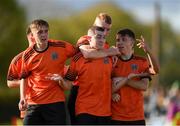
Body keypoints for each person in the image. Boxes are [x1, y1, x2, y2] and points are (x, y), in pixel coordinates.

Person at [49, 26, 113, 125]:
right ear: (89, 38)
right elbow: (69, 85)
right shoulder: (77, 59)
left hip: (105, 112)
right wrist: (61, 80)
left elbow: (114, 78)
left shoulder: (111, 57)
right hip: (84, 110)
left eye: (104, 37)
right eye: (98, 37)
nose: (102, 40)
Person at [18, 19, 76, 125]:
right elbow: (24, 77)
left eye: (46, 31)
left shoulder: (60, 46)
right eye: (40, 32)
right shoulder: (27, 55)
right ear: (32, 35)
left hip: (55, 103)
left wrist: (69, 76)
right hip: (33, 103)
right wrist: (22, 97)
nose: (44, 34)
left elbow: (78, 54)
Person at [67, 12, 119, 125]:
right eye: (101, 28)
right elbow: (88, 54)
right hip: (79, 89)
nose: (105, 31)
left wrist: (111, 53)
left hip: (100, 100)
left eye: (108, 29)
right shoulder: (85, 39)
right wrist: (110, 52)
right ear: (94, 25)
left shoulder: (106, 44)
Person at [111, 29, 152, 125]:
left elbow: (144, 86)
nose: (119, 43)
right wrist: (111, 94)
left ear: (132, 42)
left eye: (124, 39)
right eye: (118, 40)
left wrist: (124, 80)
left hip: (136, 117)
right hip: (115, 116)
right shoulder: (111, 61)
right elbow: (105, 85)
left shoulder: (142, 61)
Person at [7, 27, 34, 119]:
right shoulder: (19, 59)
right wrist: (27, 82)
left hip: (51, 105)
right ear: (31, 36)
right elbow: (9, 83)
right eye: (40, 32)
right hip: (29, 105)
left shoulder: (51, 54)